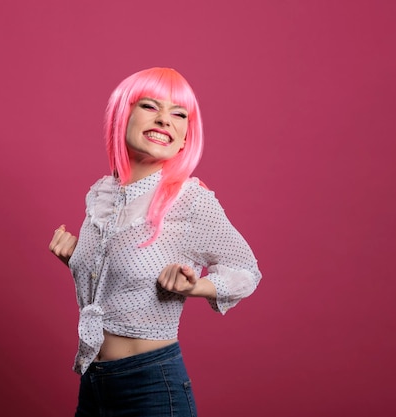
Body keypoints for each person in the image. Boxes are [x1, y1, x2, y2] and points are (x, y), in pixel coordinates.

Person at [49, 67, 261, 416]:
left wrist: (197, 287)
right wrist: (78, 260)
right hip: (94, 380)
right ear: (123, 115)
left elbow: (247, 272)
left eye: (179, 115)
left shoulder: (190, 199)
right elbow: (112, 284)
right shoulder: (104, 194)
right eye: (151, 106)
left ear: (184, 138)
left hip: (150, 385)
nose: (165, 120)